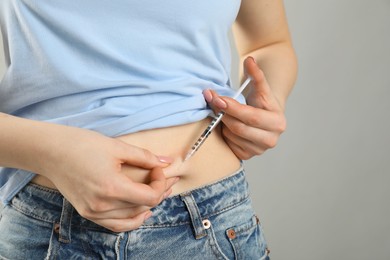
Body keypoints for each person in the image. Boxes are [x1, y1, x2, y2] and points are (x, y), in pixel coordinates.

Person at [0, 0, 297, 259]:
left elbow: (269, 44)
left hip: (211, 221)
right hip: (48, 224)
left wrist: (266, 105)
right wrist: (54, 153)